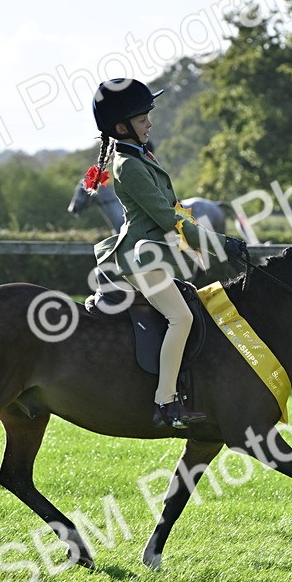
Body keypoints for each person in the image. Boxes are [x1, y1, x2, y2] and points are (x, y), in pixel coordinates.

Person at [87, 78, 248, 429]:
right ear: (121, 126)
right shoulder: (128, 166)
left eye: (147, 117)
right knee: (182, 318)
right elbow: (168, 217)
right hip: (142, 257)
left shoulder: (139, 156)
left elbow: (175, 209)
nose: (150, 123)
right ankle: (165, 402)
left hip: (154, 254)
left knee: (187, 311)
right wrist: (220, 243)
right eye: (143, 118)